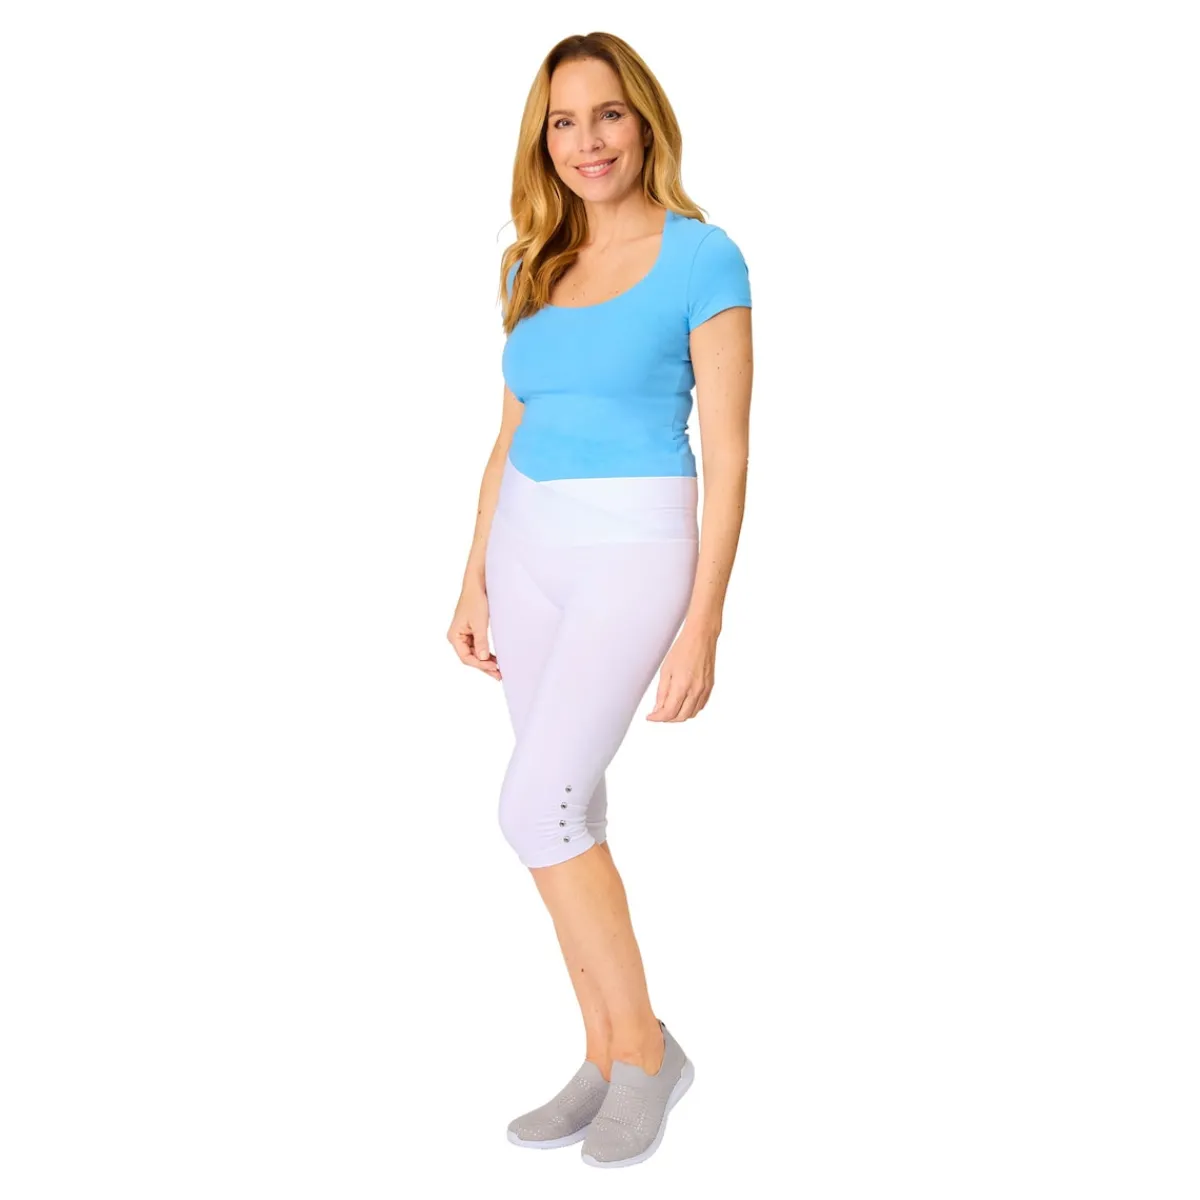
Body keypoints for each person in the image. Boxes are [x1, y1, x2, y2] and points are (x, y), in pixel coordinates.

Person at [447, 31, 753, 1169]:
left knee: (537, 807)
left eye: (608, 114)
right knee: (569, 806)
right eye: (564, 122)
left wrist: (705, 621)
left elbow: (731, 453)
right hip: (526, 545)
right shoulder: (535, 265)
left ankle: (648, 1053)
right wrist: (473, 573)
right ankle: (604, 1051)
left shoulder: (704, 257)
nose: (589, 141)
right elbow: (509, 431)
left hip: (634, 544)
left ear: (645, 121)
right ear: (544, 141)